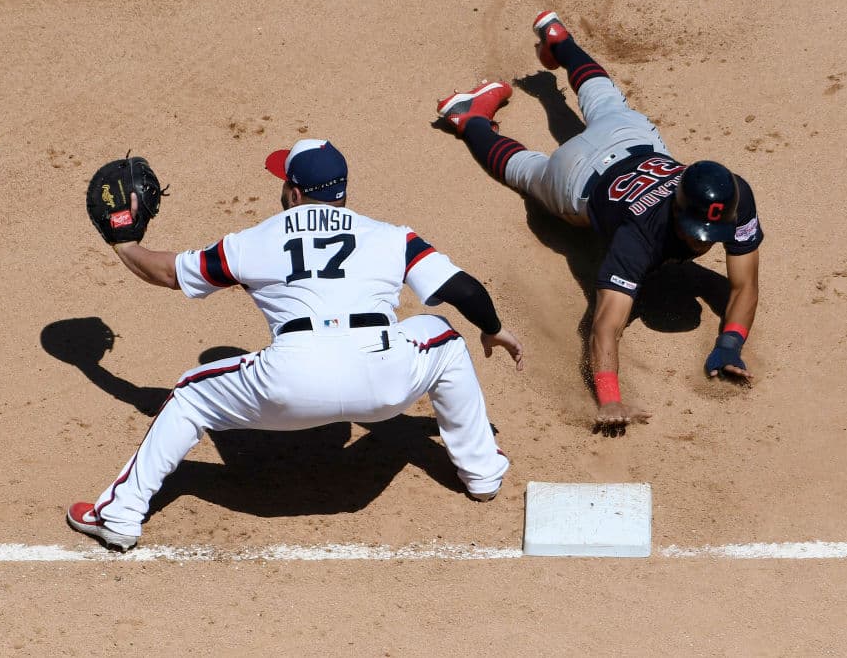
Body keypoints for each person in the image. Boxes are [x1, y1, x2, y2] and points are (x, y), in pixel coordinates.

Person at [67, 138, 524, 550]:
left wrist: (124, 242)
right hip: (387, 376)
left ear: (294, 193)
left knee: (190, 394)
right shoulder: (391, 236)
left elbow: (168, 273)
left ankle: (120, 514)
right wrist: (493, 328)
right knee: (444, 339)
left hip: (294, 381)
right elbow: (463, 288)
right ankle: (482, 473)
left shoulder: (255, 240)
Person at [435, 10, 763, 438]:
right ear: (676, 211)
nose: (703, 244)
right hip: (577, 176)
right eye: (695, 232)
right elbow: (605, 326)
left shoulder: (734, 195)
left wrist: (730, 344)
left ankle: (559, 40)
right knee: (528, 173)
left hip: (631, 139)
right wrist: (609, 398)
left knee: (605, 99)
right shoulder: (637, 240)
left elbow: (744, 284)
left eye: (711, 236)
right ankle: (469, 118)